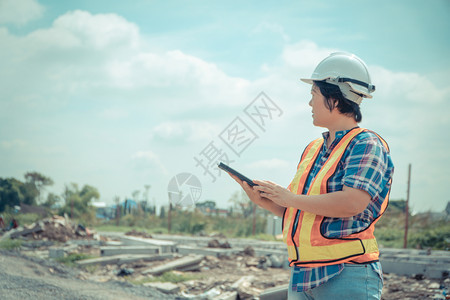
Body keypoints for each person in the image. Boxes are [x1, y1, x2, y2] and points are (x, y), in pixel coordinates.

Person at [227, 52, 394, 299]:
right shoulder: (313, 149)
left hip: (346, 275)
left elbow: (351, 203)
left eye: (313, 95)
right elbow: (302, 210)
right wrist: (266, 201)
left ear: (335, 100)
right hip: (303, 276)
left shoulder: (366, 144)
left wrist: (289, 198)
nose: (309, 104)